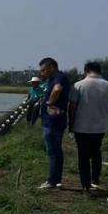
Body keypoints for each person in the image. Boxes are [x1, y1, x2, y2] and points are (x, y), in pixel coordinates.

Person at [68, 61, 108, 192]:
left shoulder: (78, 85)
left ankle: (85, 184)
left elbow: (72, 107)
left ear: (86, 71)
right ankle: (95, 179)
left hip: (81, 127)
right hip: (100, 127)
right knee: (96, 152)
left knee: (83, 155)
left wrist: (70, 125)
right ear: (99, 71)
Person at [37, 57, 72, 189]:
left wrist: (49, 103)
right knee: (56, 151)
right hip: (53, 121)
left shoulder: (59, 77)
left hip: (53, 122)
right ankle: (56, 179)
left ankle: (52, 181)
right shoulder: (53, 79)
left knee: (53, 151)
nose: (42, 73)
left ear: (52, 67)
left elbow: (57, 89)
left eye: (43, 70)